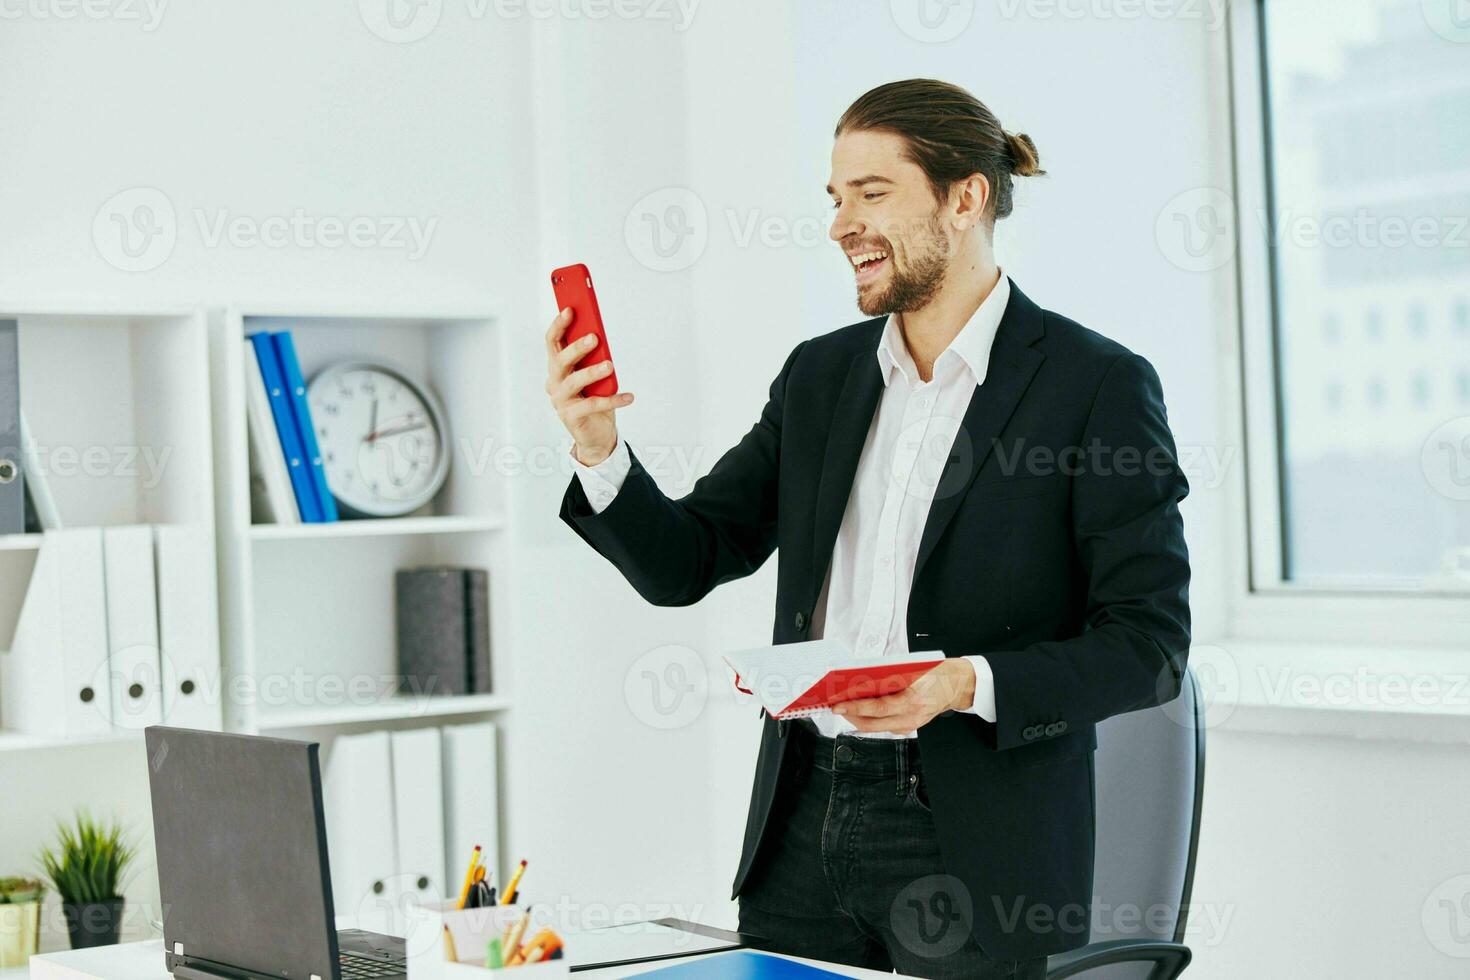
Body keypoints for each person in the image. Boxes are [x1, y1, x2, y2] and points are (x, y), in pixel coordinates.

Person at [545, 78, 1191, 980]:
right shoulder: (820, 378)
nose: (842, 222)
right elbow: (686, 561)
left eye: (872, 193)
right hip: (804, 815)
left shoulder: (1095, 386)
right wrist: (599, 447)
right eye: (835, 197)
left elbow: (1149, 646)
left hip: (971, 842)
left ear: (965, 198)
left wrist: (962, 682)